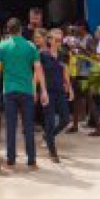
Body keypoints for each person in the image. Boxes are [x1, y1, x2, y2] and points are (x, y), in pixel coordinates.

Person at [0, 18, 48, 169]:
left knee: (11, 126)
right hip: (27, 91)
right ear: (21, 29)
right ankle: (32, 161)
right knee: (28, 126)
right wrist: (43, 90)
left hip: (9, 91)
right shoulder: (30, 46)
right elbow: (38, 68)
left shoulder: (2, 46)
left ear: (8, 31)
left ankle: (10, 161)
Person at [40, 28, 73, 163]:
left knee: (65, 119)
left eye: (60, 40)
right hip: (48, 91)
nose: (59, 42)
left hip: (60, 91)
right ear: (49, 40)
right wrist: (41, 90)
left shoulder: (63, 54)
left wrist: (70, 88)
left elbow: (65, 71)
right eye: (56, 40)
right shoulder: (42, 54)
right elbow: (38, 73)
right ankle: (53, 152)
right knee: (49, 121)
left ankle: (48, 136)